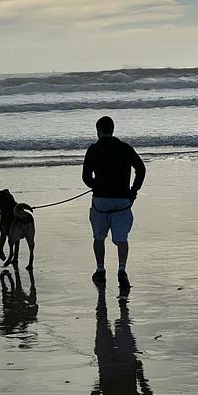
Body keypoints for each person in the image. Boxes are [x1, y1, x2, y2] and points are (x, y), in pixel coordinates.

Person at [82, 116, 146, 288]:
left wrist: (96, 186)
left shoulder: (93, 149)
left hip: (101, 201)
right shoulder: (125, 148)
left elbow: (86, 177)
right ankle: (122, 270)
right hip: (122, 200)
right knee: (121, 238)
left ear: (99, 130)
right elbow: (141, 169)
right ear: (112, 129)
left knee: (98, 237)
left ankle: (101, 270)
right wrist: (133, 191)